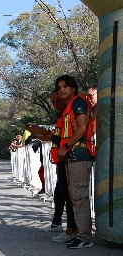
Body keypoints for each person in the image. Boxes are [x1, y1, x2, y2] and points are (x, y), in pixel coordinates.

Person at [56, 75, 95, 249]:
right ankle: (81, 235)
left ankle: (85, 238)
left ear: (73, 88)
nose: (61, 90)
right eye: (59, 88)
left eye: (65, 86)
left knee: (79, 196)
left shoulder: (78, 102)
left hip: (80, 155)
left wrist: (66, 147)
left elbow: (82, 128)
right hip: (73, 157)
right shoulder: (70, 105)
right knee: (74, 197)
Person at [42, 91, 77, 243]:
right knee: (59, 193)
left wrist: (52, 138)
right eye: (53, 102)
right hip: (61, 160)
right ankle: (58, 223)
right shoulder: (60, 116)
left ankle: (72, 230)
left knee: (69, 196)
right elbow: (60, 138)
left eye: (58, 101)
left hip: (71, 158)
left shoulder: (71, 113)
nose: (56, 105)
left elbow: (68, 138)